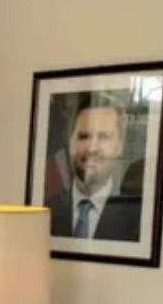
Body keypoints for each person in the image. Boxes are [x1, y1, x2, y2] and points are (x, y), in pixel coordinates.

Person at [47, 92, 142, 241]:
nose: (92, 148)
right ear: (71, 143)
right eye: (84, 136)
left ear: (120, 146)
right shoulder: (46, 212)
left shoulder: (139, 219)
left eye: (103, 137)